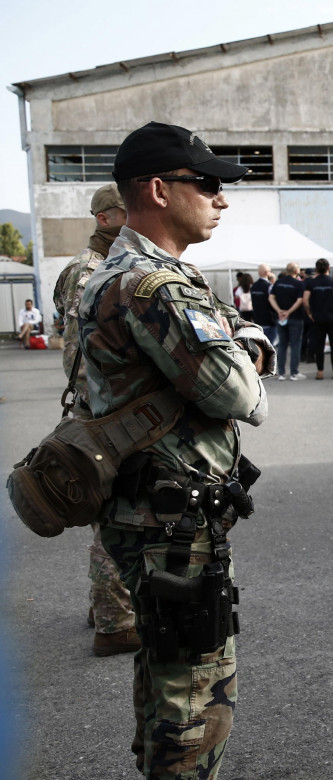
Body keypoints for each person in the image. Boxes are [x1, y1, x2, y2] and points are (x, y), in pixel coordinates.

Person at [77, 121, 271, 779]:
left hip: (153, 515)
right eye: (208, 185)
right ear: (159, 190)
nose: (221, 199)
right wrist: (246, 348)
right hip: (172, 527)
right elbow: (244, 394)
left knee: (168, 677)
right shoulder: (153, 287)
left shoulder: (139, 275)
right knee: (196, 699)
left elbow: (230, 332)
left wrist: (235, 337)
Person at [51, 182, 140, 657]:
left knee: (108, 512)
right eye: (128, 212)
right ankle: (115, 621)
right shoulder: (96, 270)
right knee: (115, 515)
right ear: (105, 218)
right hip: (105, 407)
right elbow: (89, 350)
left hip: (93, 405)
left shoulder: (81, 267)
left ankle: (102, 605)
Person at [303, 258, 333, 380]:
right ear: (328, 268)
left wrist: (310, 313)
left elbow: (305, 300)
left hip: (318, 318)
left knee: (319, 345)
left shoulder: (311, 283)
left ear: (316, 269)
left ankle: (320, 372)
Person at [269, 262, 306, 380]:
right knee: (295, 345)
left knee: (282, 345)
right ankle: (294, 372)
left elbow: (270, 298)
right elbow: (300, 300)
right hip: (295, 317)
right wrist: (289, 312)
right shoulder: (299, 284)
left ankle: (281, 373)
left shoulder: (278, 283)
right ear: (296, 271)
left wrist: (279, 311)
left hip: (281, 318)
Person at [250, 264, 276, 346]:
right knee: (269, 345)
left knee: (260, 345)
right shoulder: (269, 286)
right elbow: (273, 302)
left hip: (257, 318)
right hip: (269, 319)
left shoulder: (254, 286)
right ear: (267, 272)